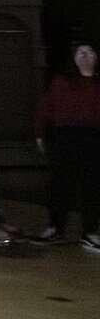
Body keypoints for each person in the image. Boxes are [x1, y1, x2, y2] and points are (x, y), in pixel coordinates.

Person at [33, 41, 100, 252]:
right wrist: (39, 134)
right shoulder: (61, 81)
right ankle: (55, 228)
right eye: (80, 51)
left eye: (89, 51)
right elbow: (46, 107)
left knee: (92, 185)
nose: (84, 54)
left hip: (93, 136)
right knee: (60, 183)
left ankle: (90, 231)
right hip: (64, 136)